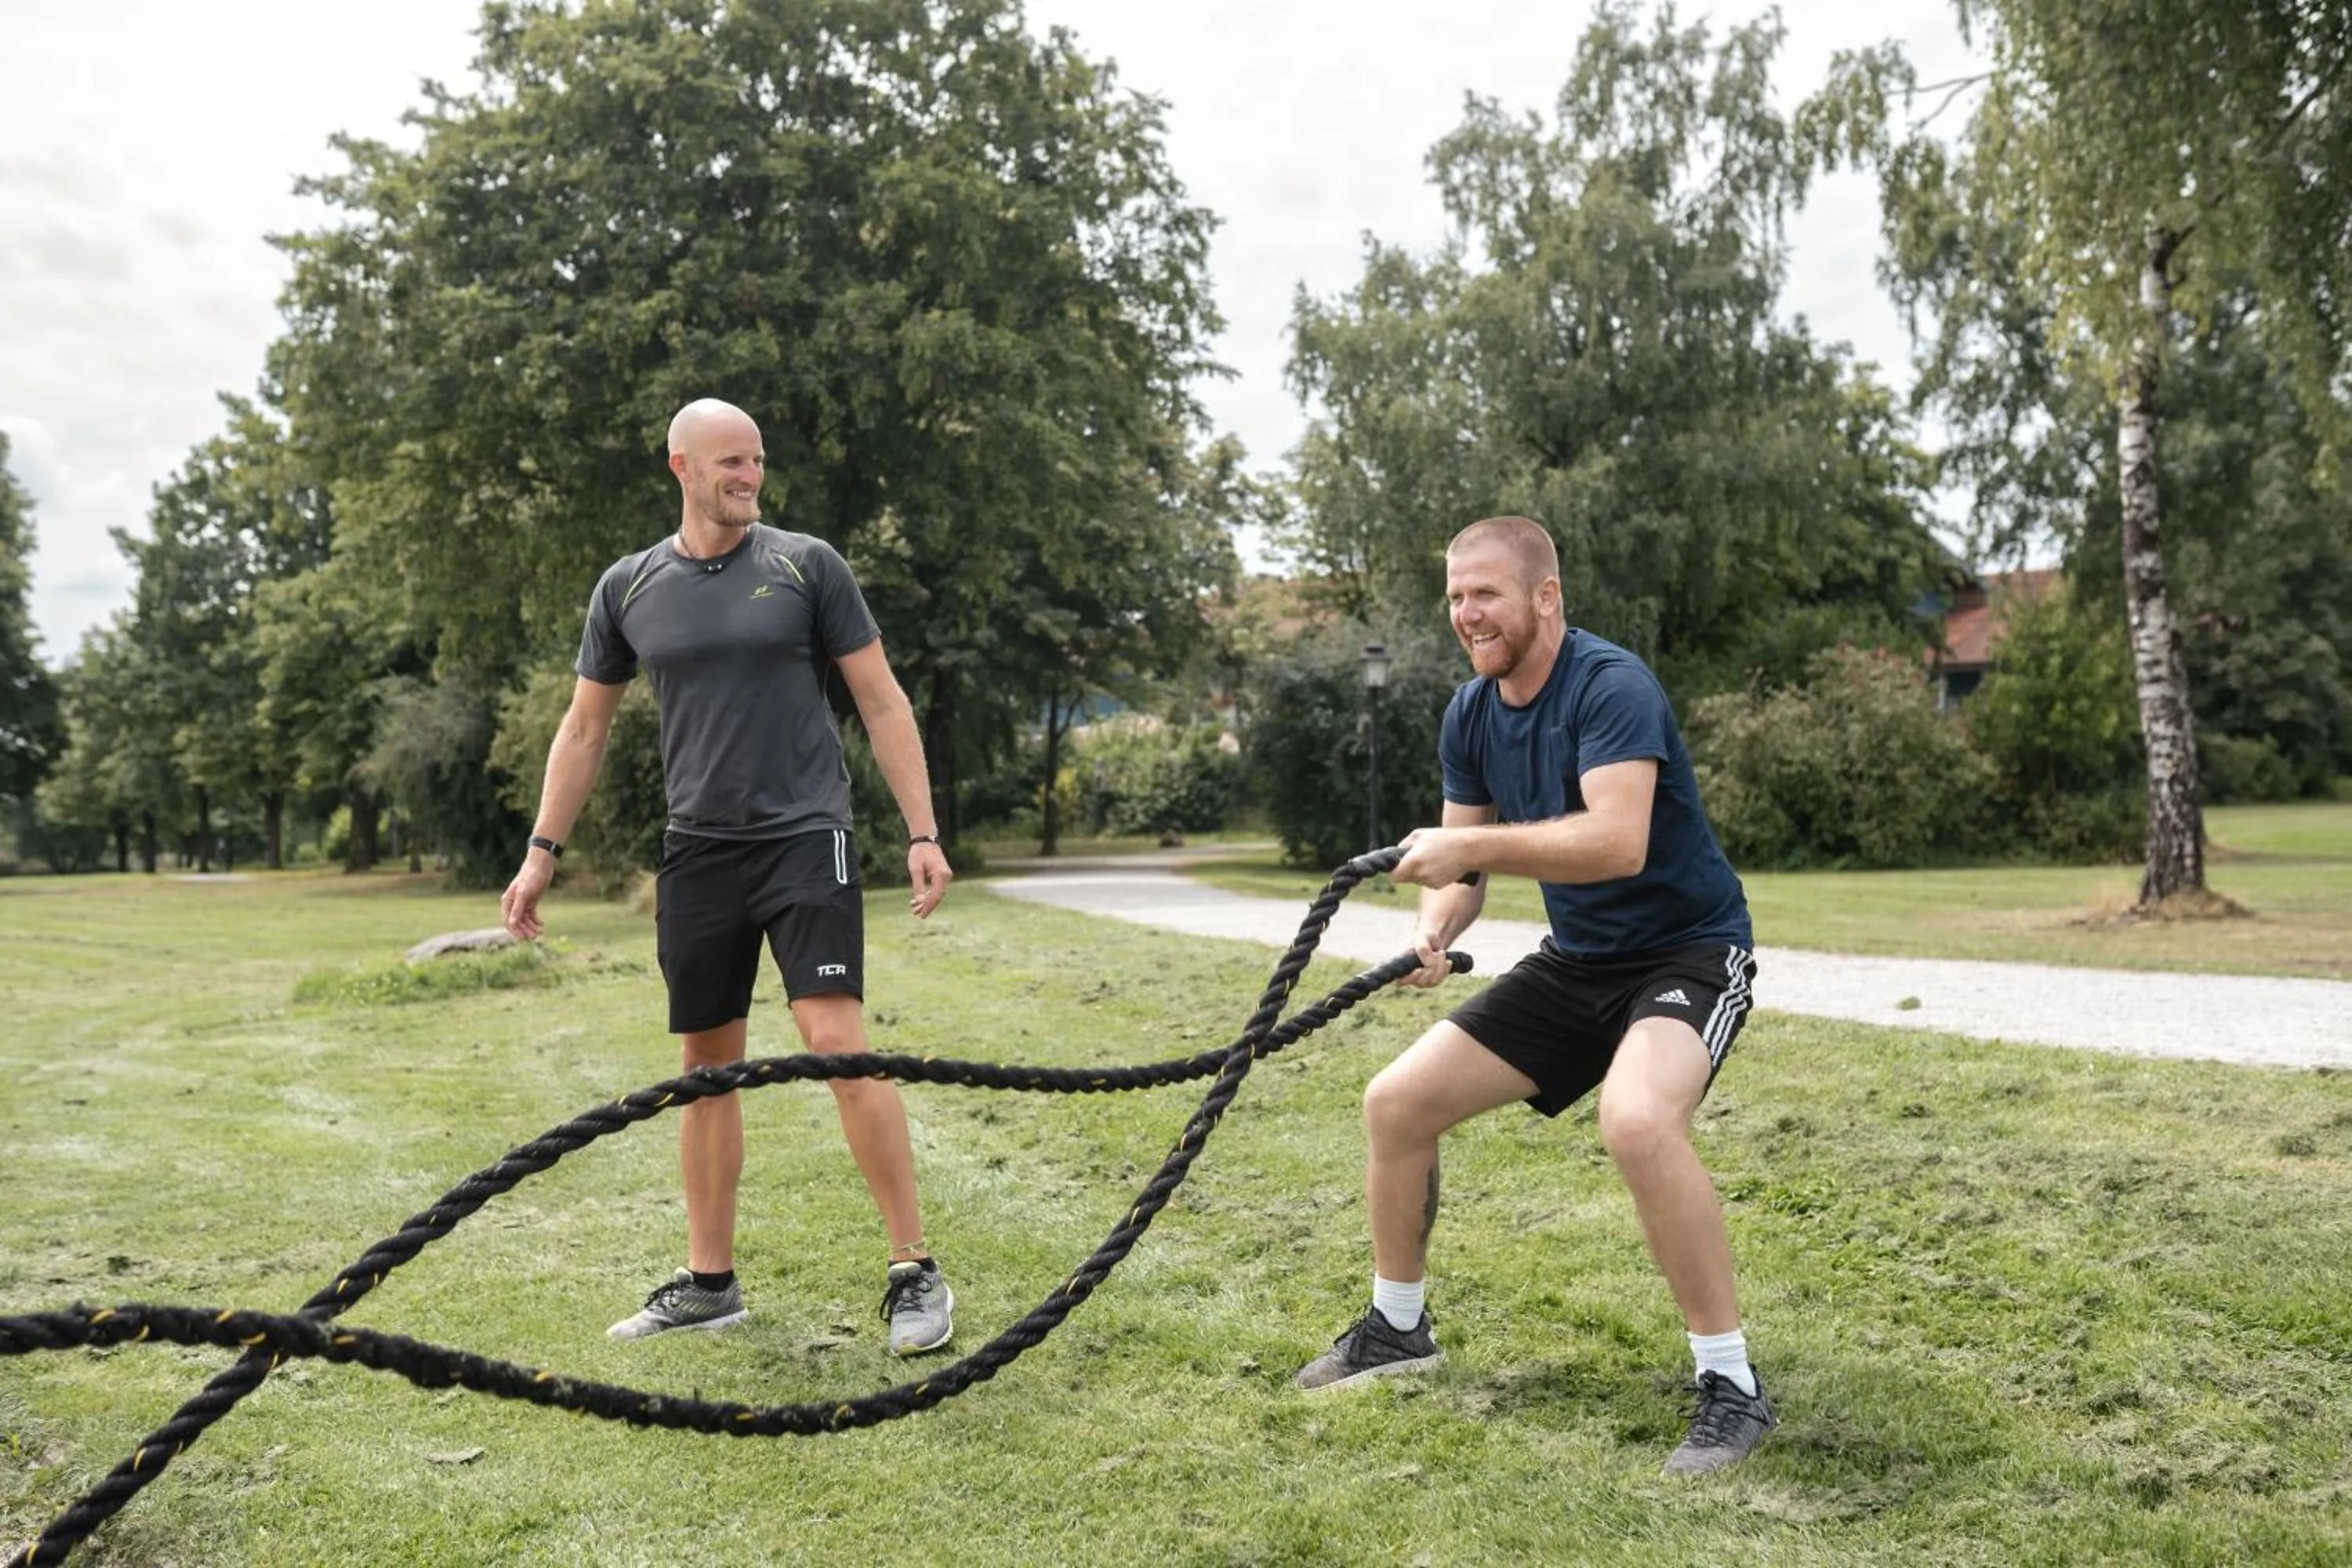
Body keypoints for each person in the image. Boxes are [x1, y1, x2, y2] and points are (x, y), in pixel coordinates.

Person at [1294, 514, 1771, 1475]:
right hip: (1576, 962)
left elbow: (1615, 839)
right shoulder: (1471, 712)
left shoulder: (1610, 685)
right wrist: (1435, 928)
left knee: (1638, 1122)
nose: (1468, 613)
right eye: (1456, 596)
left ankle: (1733, 1385)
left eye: (1488, 593)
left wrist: (1468, 848)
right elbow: (1458, 867)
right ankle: (1398, 1328)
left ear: (1545, 597)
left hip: (1688, 955)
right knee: (1396, 1101)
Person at [500, 397, 958, 1356]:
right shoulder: (629, 587)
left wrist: (920, 828)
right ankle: (711, 1283)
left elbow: (880, 700)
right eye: (729, 463)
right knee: (705, 1068)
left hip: (806, 836)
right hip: (699, 851)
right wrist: (542, 852)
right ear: (680, 467)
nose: (748, 477)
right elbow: (584, 728)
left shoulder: (806, 565)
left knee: (837, 1040)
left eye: (755, 461)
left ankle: (914, 1268)